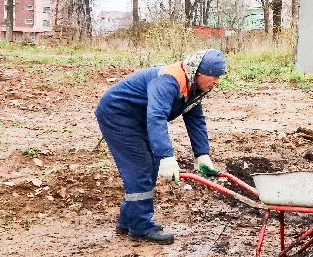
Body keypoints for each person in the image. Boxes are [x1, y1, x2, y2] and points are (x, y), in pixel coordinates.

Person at [94, 49, 226, 245]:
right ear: (199, 72)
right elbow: (156, 116)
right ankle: (140, 227)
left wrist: (202, 154)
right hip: (118, 115)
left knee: (151, 165)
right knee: (140, 168)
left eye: (219, 77)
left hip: (138, 119)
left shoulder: (193, 87)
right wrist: (167, 155)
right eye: (213, 76)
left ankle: (128, 220)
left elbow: (196, 120)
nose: (216, 81)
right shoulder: (169, 81)